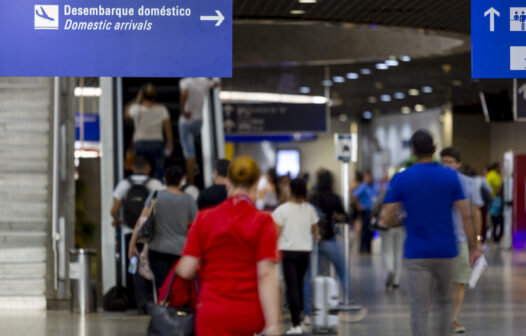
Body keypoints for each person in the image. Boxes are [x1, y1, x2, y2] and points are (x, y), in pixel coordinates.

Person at [380, 130, 481, 336]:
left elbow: (386, 217)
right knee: (445, 304)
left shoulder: (401, 179)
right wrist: (474, 246)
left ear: (413, 150)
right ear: (434, 150)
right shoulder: (449, 177)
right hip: (446, 251)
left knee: (420, 308)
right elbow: (466, 215)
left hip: (417, 253)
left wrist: (403, 221)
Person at [175, 156, 282, 336]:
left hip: (212, 313)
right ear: (256, 184)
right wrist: (273, 323)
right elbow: (265, 274)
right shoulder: (264, 222)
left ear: (227, 183)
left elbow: (186, 270)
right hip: (248, 315)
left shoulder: (204, 218)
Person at [304, 169, 367, 325]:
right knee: (342, 271)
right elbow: (347, 218)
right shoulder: (335, 199)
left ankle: (308, 311)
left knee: (311, 276)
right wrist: (337, 217)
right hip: (330, 240)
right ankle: (348, 303)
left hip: (314, 241)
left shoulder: (312, 199)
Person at [128, 166, 197, 291]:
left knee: (162, 286)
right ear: (181, 180)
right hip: (181, 250)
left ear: (164, 180)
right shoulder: (189, 200)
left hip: (157, 248)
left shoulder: (155, 196)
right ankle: (176, 309)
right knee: (179, 286)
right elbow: (196, 226)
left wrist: (132, 243)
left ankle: (163, 307)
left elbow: (141, 221)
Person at [110, 157, 164, 313]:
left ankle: (140, 304)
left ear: (133, 168)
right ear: (148, 169)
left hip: (129, 231)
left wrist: (118, 220)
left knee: (135, 268)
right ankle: (155, 301)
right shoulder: (155, 184)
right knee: (152, 265)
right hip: (150, 234)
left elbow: (113, 210)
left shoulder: (124, 184)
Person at [440, 147, 483, 334]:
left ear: (458, 164)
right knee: (441, 281)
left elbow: (475, 212)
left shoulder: (469, 183)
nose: (447, 166)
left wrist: (478, 239)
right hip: (440, 238)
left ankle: (454, 318)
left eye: (450, 162)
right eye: (444, 162)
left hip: (462, 239)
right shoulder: (435, 182)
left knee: (459, 280)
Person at [272, 178, 319, 335]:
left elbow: (275, 234)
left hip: (288, 251)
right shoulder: (310, 209)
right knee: (299, 285)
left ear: (290, 190)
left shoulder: (282, 210)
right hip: (305, 252)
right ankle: (300, 317)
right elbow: (316, 232)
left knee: (291, 287)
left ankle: (296, 325)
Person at [125, 83, 174, 181]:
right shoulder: (162, 109)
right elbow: (167, 128)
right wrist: (170, 143)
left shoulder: (136, 109)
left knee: (140, 168)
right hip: (157, 143)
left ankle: (142, 189)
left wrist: (136, 100)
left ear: (142, 95)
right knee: (159, 172)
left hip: (140, 143)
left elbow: (126, 114)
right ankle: (157, 190)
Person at [179, 77, 220, 185]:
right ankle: (196, 166)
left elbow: (184, 93)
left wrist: (182, 110)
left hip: (186, 121)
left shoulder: (185, 82)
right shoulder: (204, 82)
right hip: (199, 121)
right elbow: (216, 83)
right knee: (194, 146)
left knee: (189, 152)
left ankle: (191, 182)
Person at [352, 171, 379, 254]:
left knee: (371, 230)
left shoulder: (374, 186)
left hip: (373, 211)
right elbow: (354, 196)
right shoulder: (363, 186)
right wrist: (358, 206)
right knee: (365, 229)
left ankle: (369, 247)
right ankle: (363, 248)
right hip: (366, 211)